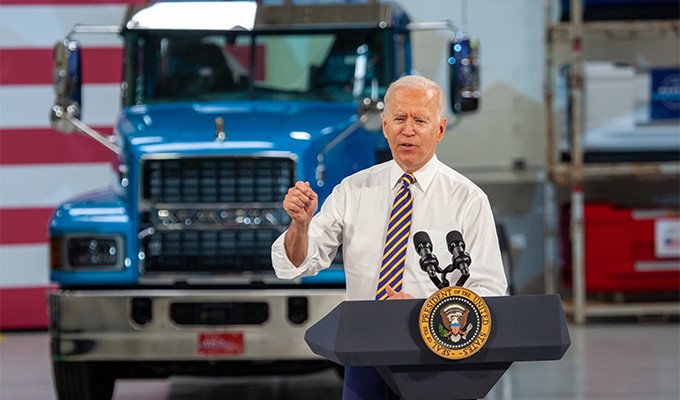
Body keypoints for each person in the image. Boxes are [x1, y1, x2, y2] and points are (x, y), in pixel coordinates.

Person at [271, 75, 508, 399]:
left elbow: (490, 289)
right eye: (398, 119)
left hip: (439, 351)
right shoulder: (352, 191)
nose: (407, 130)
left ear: (439, 129)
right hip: (366, 351)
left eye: (419, 120)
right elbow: (297, 264)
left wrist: (427, 310)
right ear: (384, 125)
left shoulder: (467, 198)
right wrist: (299, 225)